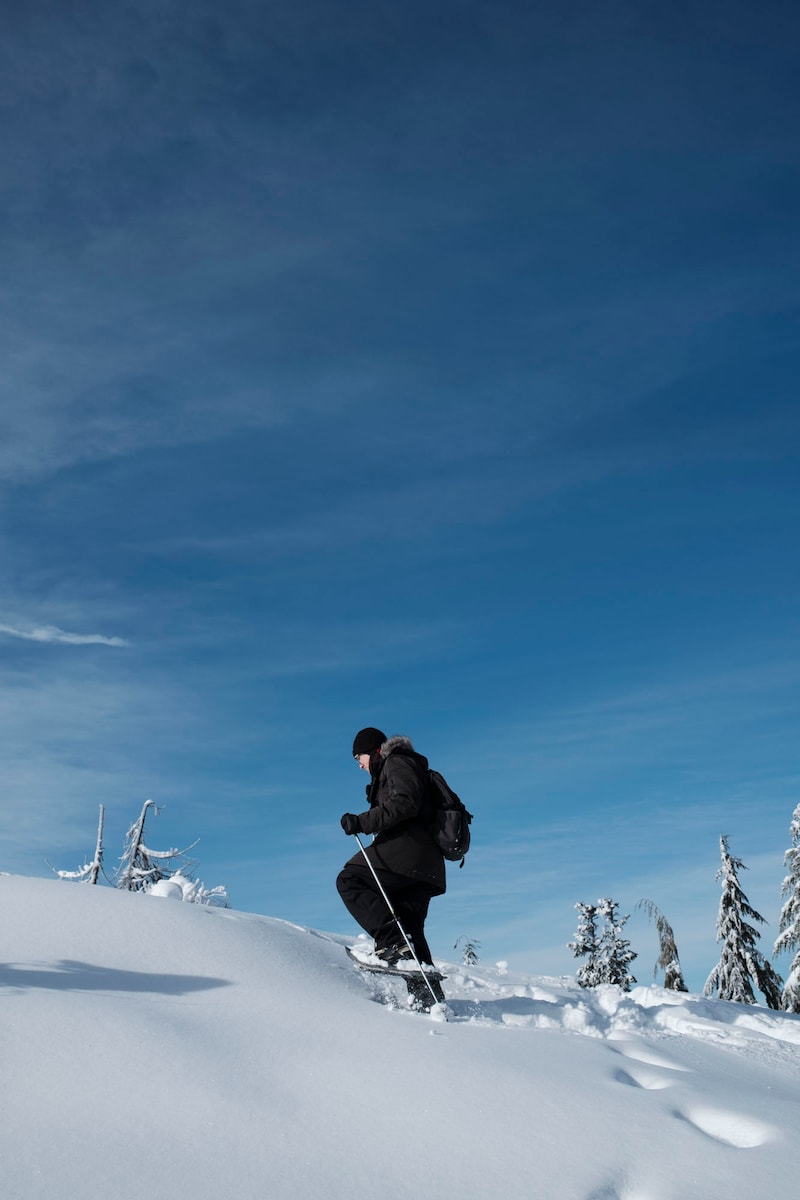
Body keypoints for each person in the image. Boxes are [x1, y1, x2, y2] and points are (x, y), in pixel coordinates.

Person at [337, 727, 445, 966]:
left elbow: (406, 802)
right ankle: (429, 1002)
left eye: (359, 758)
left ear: (373, 751)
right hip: (426, 864)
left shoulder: (396, 762)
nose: (360, 765)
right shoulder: (401, 765)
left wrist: (361, 821)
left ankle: (391, 940)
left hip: (409, 854)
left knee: (350, 879)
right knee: (410, 932)